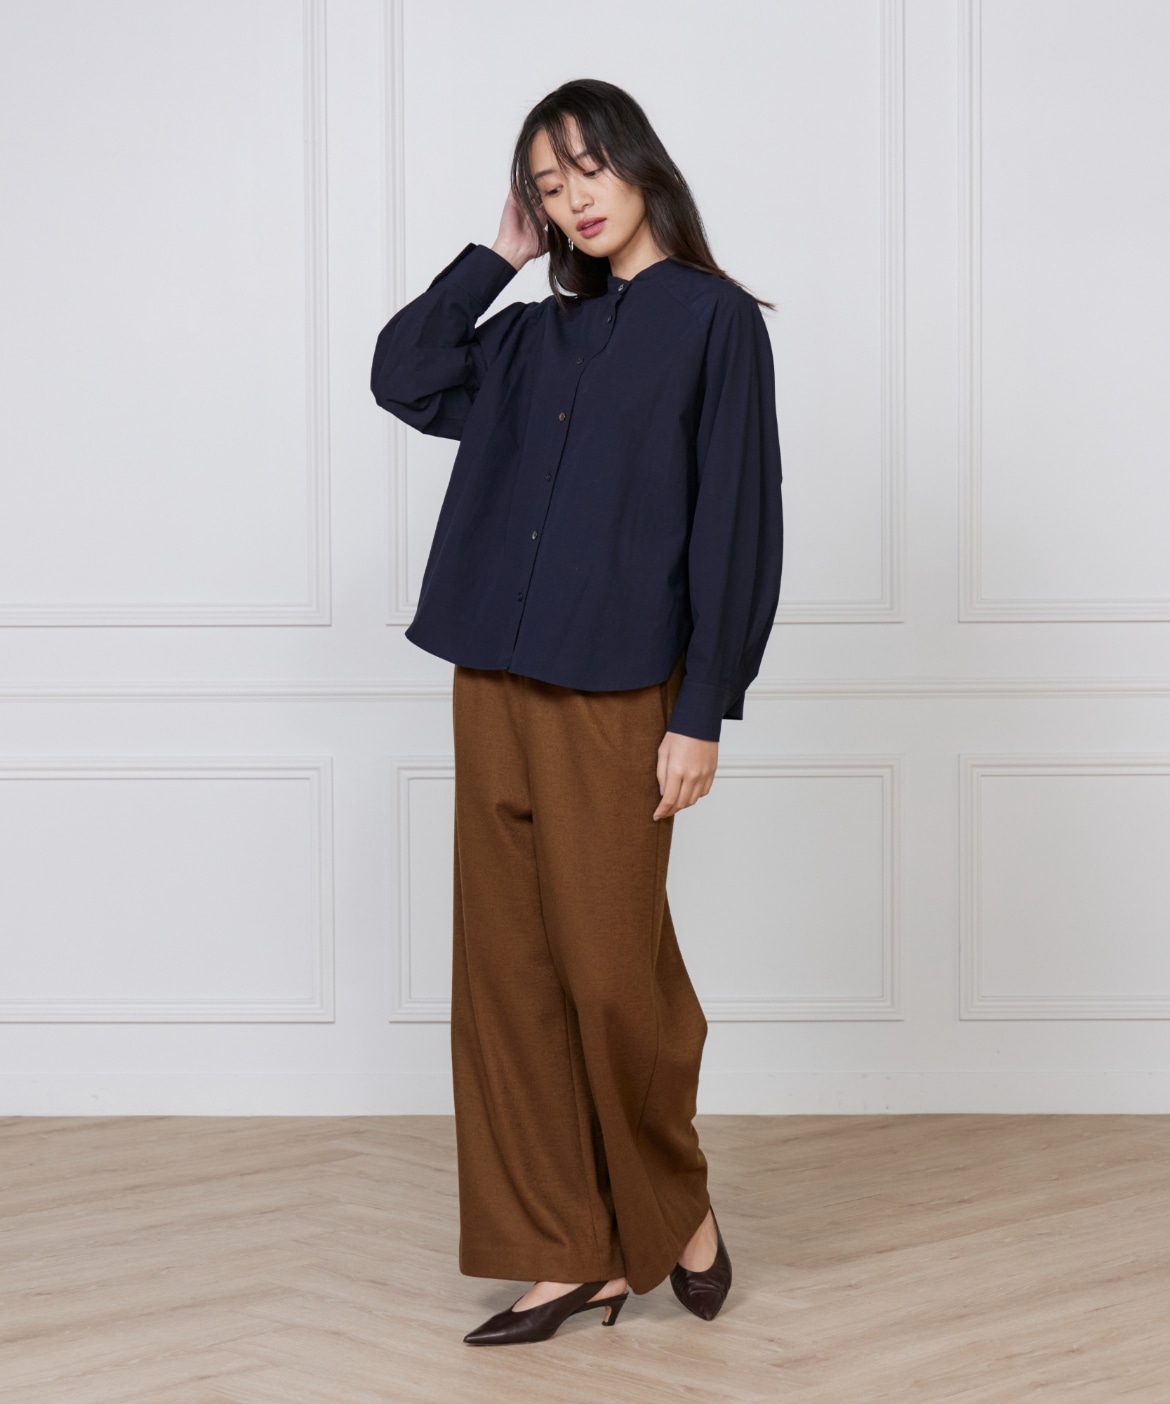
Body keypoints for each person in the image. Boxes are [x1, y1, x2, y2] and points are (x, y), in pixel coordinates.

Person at [370, 78, 783, 1346]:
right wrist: (495, 256)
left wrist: (702, 709)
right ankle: (568, 1252)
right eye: (547, 187)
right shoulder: (525, 340)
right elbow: (403, 373)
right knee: (509, 976)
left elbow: (737, 522)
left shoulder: (713, 322)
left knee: (611, 974)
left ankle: (674, 1206)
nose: (573, 199)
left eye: (587, 169)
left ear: (639, 164)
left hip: (619, 691)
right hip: (490, 679)